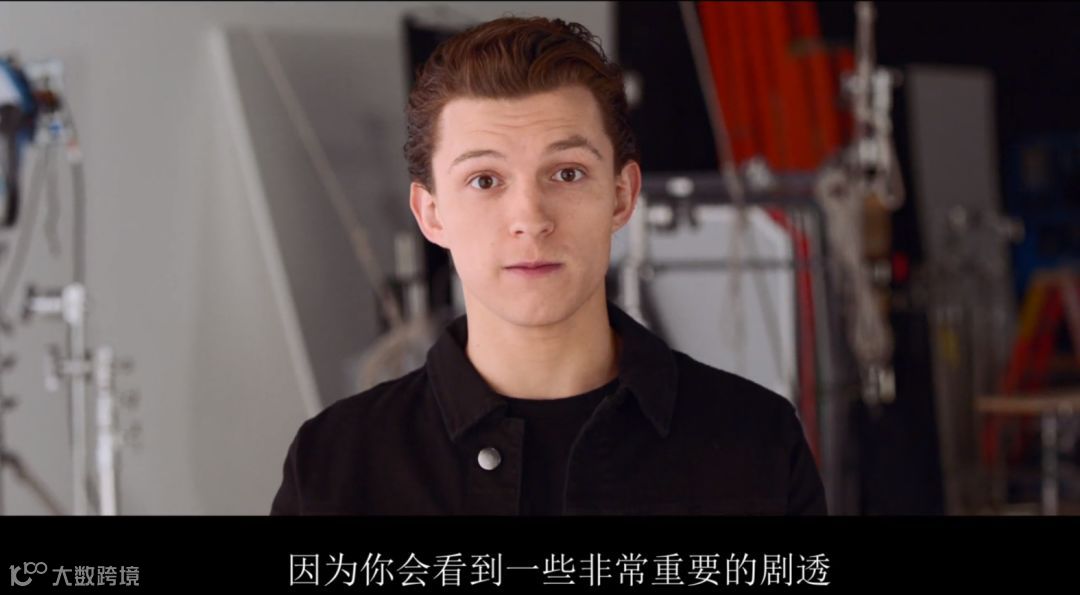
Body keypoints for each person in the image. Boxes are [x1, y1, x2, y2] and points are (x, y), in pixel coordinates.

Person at [271, 15, 826, 516]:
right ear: (431, 214)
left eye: (566, 173)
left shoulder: (757, 443)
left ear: (621, 196)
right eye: (484, 180)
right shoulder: (336, 466)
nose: (530, 219)